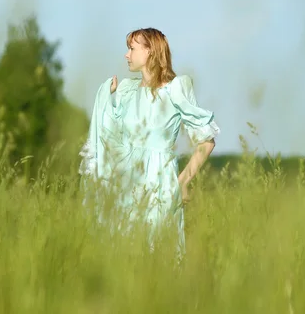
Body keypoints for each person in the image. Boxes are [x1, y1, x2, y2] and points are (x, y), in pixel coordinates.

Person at [78, 27, 220, 256]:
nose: (127, 55)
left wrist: (182, 182)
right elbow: (111, 136)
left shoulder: (175, 89)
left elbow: (206, 141)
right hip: (125, 184)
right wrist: (106, 96)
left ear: (150, 51)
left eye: (132, 49)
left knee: (156, 257)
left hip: (159, 185)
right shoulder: (126, 91)